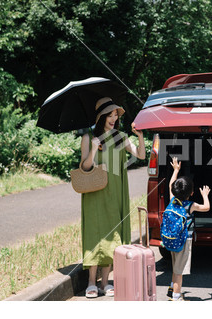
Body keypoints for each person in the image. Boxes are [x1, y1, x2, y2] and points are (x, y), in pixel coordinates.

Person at [81, 97, 145, 298]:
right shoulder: (88, 138)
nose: (113, 118)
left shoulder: (121, 137)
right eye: (109, 115)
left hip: (116, 191)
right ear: (100, 117)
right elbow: (85, 167)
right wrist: (93, 148)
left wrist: (141, 137)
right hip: (94, 193)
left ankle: (106, 282)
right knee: (94, 232)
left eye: (115, 115)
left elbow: (141, 155)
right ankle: (91, 282)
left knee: (112, 233)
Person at [166, 157, 211, 301]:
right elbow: (207, 207)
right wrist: (205, 196)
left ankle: (172, 288)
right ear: (191, 193)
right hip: (184, 240)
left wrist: (176, 170)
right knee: (180, 271)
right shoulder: (190, 205)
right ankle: (176, 297)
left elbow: (170, 184)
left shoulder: (173, 200)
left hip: (172, 238)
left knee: (175, 266)